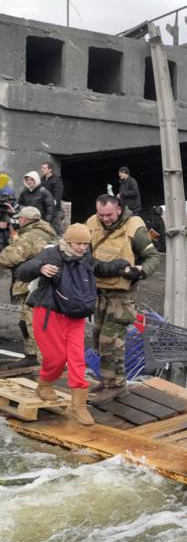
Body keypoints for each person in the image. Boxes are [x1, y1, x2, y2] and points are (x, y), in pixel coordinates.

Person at [16, 223, 105, 425]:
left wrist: (124, 266)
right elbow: (22, 271)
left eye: (85, 244)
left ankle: (78, 406)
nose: (82, 248)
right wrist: (40, 268)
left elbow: (102, 267)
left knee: (76, 359)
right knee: (56, 358)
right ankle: (45, 384)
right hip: (49, 313)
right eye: (78, 244)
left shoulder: (86, 258)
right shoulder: (52, 255)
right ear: (68, 241)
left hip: (75, 315)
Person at [86, 194, 161, 402]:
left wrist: (140, 271)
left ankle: (117, 386)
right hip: (99, 292)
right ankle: (109, 381)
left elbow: (153, 257)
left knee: (111, 341)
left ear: (118, 209)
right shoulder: (91, 224)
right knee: (98, 339)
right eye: (101, 215)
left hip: (122, 295)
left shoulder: (134, 227)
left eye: (109, 214)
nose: (105, 219)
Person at [0, 206, 56, 369]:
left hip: (32, 285)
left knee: (33, 323)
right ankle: (32, 356)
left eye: (20, 219)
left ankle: (41, 363)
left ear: (25, 220)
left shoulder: (30, 237)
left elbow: (7, 258)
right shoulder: (47, 232)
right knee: (28, 321)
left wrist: (12, 239)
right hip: (42, 284)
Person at [39, 162, 64, 235]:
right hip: (43, 209)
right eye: (42, 168)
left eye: (44, 168)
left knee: (57, 230)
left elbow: (57, 196)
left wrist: (52, 207)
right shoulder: (42, 180)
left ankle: (62, 244)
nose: (42, 170)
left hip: (54, 210)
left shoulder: (57, 180)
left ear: (50, 169)